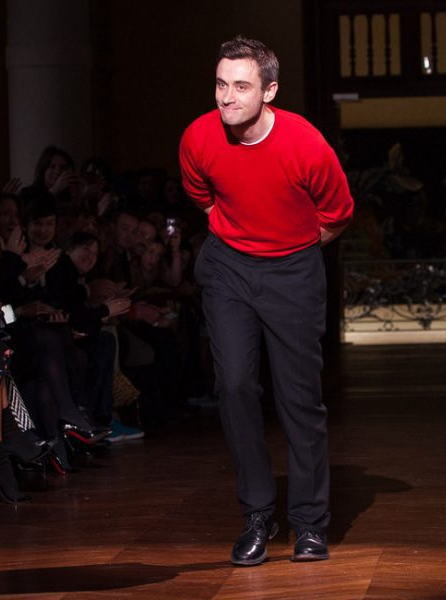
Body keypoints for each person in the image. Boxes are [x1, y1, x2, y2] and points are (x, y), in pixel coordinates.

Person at [179, 36, 353, 565]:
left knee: (299, 398)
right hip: (229, 266)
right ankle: (257, 514)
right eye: (220, 84)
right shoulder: (199, 137)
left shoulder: (306, 145)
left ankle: (309, 523)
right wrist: (243, 241)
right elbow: (202, 196)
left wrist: (286, 250)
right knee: (233, 385)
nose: (226, 97)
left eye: (240, 86)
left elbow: (337, 214)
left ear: (269, 91)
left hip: (293, 270)